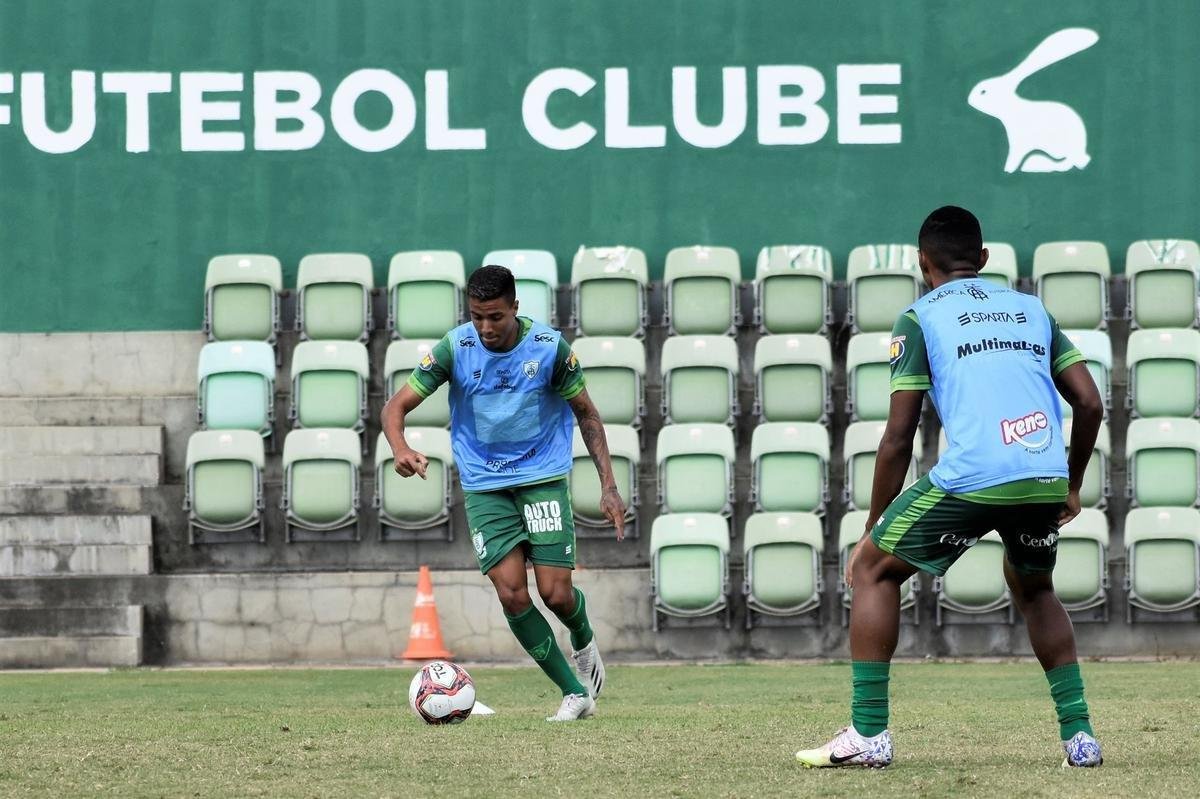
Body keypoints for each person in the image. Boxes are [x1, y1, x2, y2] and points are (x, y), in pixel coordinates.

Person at [796, 206, 1105, 769]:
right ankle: (1079, 738)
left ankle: (869, 736)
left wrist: (873, 529)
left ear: (922, 263)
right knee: (1034, 588)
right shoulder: (1031, 309)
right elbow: (1089, 403)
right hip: (1041, 475)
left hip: (973, 476)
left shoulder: (918, 317)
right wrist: (1071, 484)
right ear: (984, 260)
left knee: (871, 570)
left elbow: (898, 436)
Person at [381, 264, 626, 722]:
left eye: (495, 316)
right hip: (484, 485)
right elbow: (396, 406)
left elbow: (588, 415)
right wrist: (400, 447)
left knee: (556, 595)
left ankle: (583, 635)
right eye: (477, 316)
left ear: (515, 306)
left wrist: (609, 487)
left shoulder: (550, 348)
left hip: (542, 478)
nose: (486, 327)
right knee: (512, 594)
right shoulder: (456, 348)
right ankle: (575, 694)